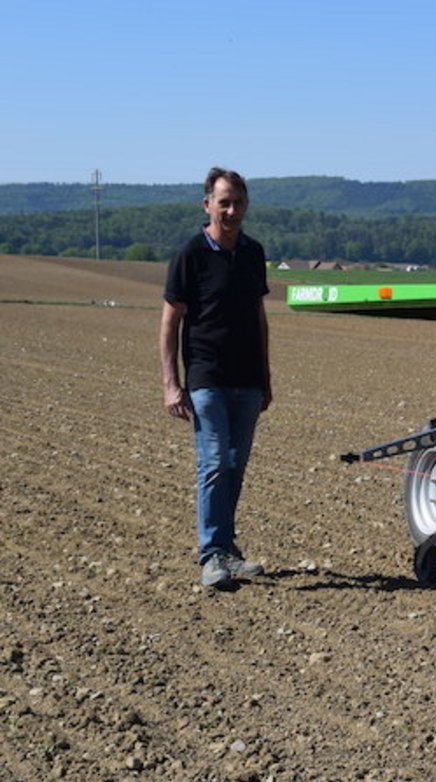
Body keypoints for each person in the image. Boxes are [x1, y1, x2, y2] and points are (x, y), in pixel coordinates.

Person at [159, 167, 272, 589]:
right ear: (207, 205)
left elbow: (259, 320)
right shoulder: (191, 254)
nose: (231, 209)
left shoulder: (251, 253)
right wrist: (172, 383)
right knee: (214, 463)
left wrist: (266, 376)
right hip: (206, 377)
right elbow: (170, 322)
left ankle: (226, 548)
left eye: (238, 202)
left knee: (236, 465)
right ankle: (211, 555)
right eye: (223, 202)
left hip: (247, 379)